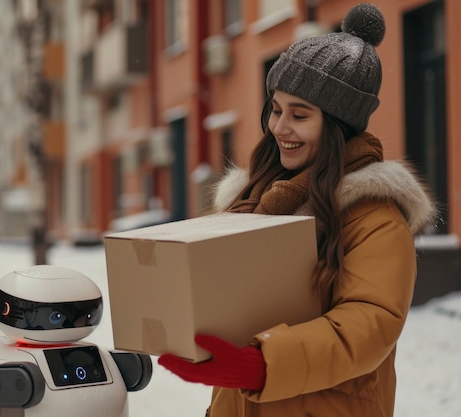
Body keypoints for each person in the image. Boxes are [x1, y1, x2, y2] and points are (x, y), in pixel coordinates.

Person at [157, 3, 437, 417]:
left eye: (300, 115)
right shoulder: (255, 201)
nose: (279, 128)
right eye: (276, 108)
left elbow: (367, 326)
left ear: (338, 124)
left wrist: (260, 364)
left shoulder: (374, 216)